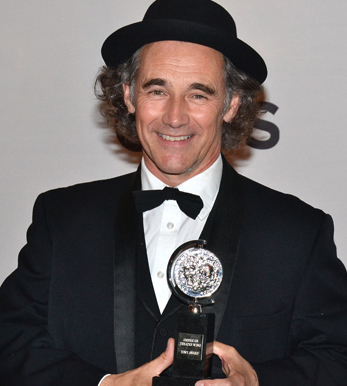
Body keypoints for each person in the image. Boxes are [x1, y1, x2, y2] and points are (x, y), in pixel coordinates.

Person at [1, 0, 347, 385]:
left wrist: (259, 382)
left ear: (231, 104)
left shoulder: (297, 232)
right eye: (157, 90)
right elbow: (12, 342)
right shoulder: (62, 218)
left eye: (199, 94)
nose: (175, 116)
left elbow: (336, 357)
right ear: (129, 95)